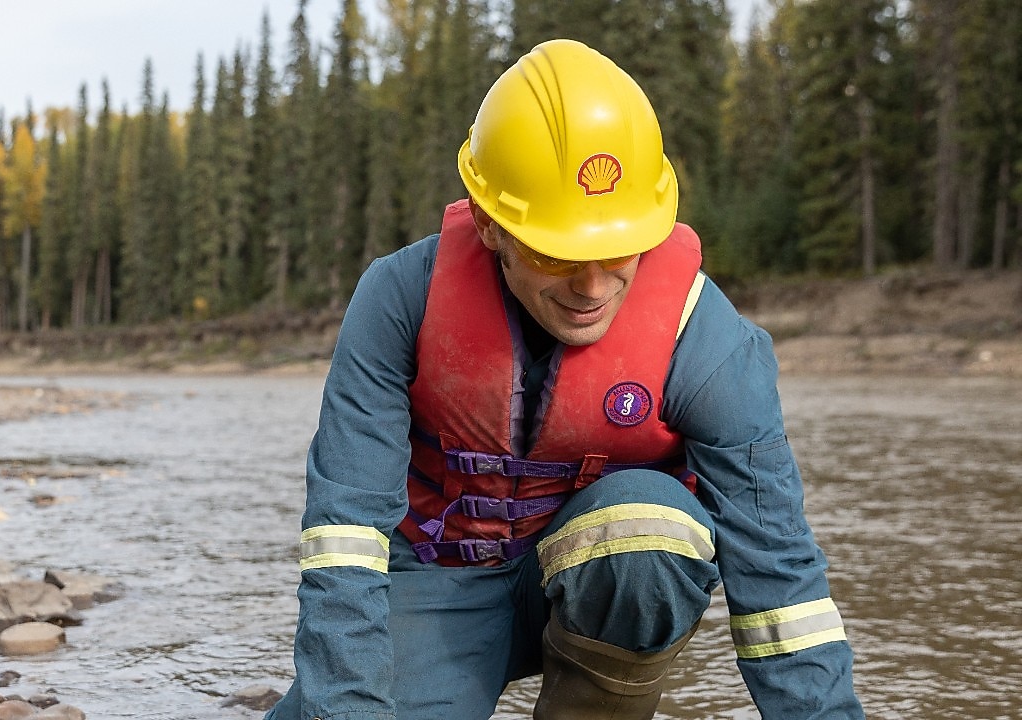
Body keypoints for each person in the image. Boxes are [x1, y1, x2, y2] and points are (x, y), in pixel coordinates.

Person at [265, 38, 864, 720]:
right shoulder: (399, 298)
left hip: (602, 581)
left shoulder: (707, 341)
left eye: (619, 249)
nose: (593, 287)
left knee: (651, 530)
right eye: (558, 254)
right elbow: (344, 535)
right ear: (490, 225)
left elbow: (781, 581)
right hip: (436, 578)